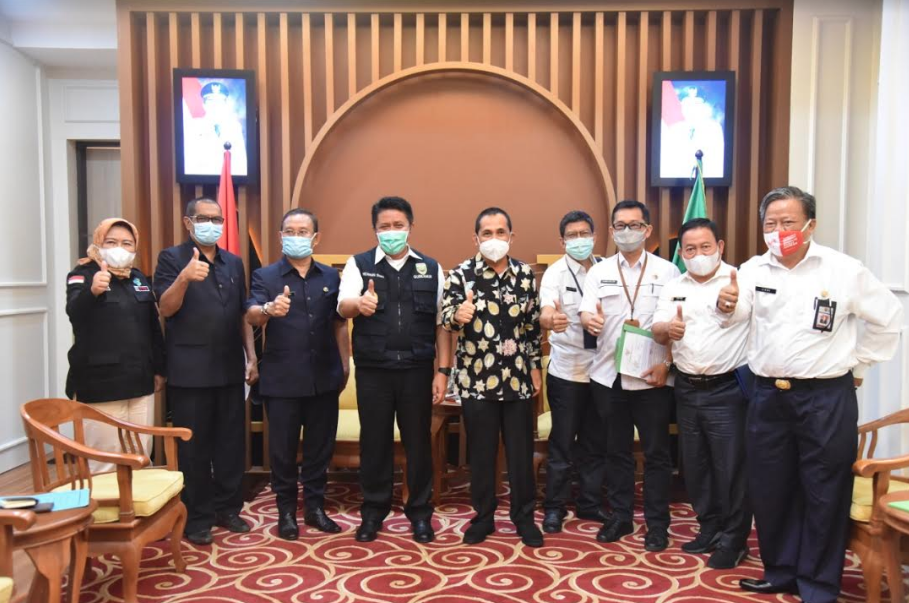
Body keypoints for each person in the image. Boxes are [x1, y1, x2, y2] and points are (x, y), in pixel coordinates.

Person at [716, 187, 902, 602]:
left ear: (810, 225)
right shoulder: (753, 269)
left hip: (825, 398)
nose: (778, 231)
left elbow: (888, 319)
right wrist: (726, 305)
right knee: (770, 488)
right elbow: (736, 313)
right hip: (768, 396)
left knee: (824, 489)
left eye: (788, 222)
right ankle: (781, 570)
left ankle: (818, 583)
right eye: (770, 224)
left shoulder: (843, 270)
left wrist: (858, 366)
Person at [337, 196, 451, 544]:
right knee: (375, 443)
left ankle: (420, 514)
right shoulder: (358, 264)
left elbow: (442, 324)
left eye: (397, 225)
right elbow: (342, 306)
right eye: (384, 226)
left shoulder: (431, 267)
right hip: (374, 371)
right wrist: (359, 304)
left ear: (410, 227)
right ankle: (373, 512)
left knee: (418, 444)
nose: (391, 232)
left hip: (417, 370)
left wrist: (442, 371)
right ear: (375, 229)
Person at [154, 197, 259, 546]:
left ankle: (228, 509)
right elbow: (165, 308)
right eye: (204, 218)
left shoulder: (233, 262)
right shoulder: (171, 258)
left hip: (229, 367)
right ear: (188, 222)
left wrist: (251, 356)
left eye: (218, 219)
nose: (212, 225)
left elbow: (243, 314)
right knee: (194, 449)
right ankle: (197, 516)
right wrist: (184, 278)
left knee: (230, 444)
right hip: (190, 371)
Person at [579, 199, 680, 551]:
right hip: (609, 375)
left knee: (656, 453)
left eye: (634, 225)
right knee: (616, 452)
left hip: (652, 376)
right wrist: (589, 320)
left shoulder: (668, 271)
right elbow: (586, 312)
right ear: (611, 231)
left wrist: (668, 364)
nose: (627, 232)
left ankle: (657, 524)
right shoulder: (599, 272)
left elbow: (678, 324)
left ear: (647, 230)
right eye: (620, 226)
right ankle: (621, 516)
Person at [441, 207, 545, 548]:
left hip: (518, 379)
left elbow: (531, 328)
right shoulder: (460, 275)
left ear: (511, 237)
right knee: (482, 454)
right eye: (487, 233)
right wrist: (458, 314)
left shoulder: (525, 275)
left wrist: (534, 368)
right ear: (476, 238)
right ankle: (483, 517)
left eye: (501, 232)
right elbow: (445, 320)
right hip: (476, 381)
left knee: (520, 454)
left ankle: (524, 517)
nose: (494, 239)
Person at [651, 218, 751, 569]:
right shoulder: (674, 285)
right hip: (687, 389)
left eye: (705, 247)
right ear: (681, 253)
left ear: (720, 247)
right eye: (690, 249)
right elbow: (657, 329)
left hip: (727, 390)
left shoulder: (739, 281)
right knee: (695, 466)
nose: (698, 254)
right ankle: (709, 527)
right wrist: (667, 328)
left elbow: (737, 312)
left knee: (731, 467)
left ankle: (734, 539)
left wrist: (728, 306)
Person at [245, 209, 350, 541]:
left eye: (303, 231)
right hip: (282, 380)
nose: (296, 236)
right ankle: (286, 512)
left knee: (320, 449)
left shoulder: (331, 277)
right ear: (280, 237)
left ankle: (316, 508)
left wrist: (345, 363)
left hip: (324, 377)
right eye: (289, 231)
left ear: (316, 238)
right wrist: (268, 309)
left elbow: (339, 323)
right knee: (283, 452)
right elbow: (250, 314)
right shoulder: (265, 276)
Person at [65, 218, 165, 473]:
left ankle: (138, 501)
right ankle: (105, 501)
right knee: (105, 462)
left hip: (140, 381)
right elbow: (74, 313)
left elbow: (153, 326)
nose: (119, 248)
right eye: (111, 242)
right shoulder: (82, 274)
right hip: (101, 383)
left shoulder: (138, 278)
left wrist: (159, 369)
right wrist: (92, 292)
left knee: (140, 456)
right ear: (99, 243)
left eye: (127, 243)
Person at [537, 210, 608, 533]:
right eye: (572, 235)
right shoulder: (555, 273)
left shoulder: (607, 269)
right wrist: (550, 319)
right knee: (562, 443)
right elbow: (546, 310)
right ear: (562, 241)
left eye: (584, 233)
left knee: (595, 441)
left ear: (594, 236)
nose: (579, 240)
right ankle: (554, 506)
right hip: (568, 371)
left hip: (603, 370)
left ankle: (590, 503)